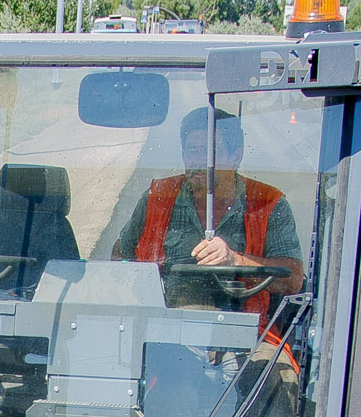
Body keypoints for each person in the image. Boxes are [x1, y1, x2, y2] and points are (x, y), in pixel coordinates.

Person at [107, 106, 303, 312]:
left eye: (211, 151)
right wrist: (139, 292)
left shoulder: (268, 203)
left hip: (244, 326)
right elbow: (120, 256)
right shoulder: (157, 197)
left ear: (236, 156)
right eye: (193, 150)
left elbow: (293, 280)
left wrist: (234, 260)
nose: (200, 160)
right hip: (161, 321)